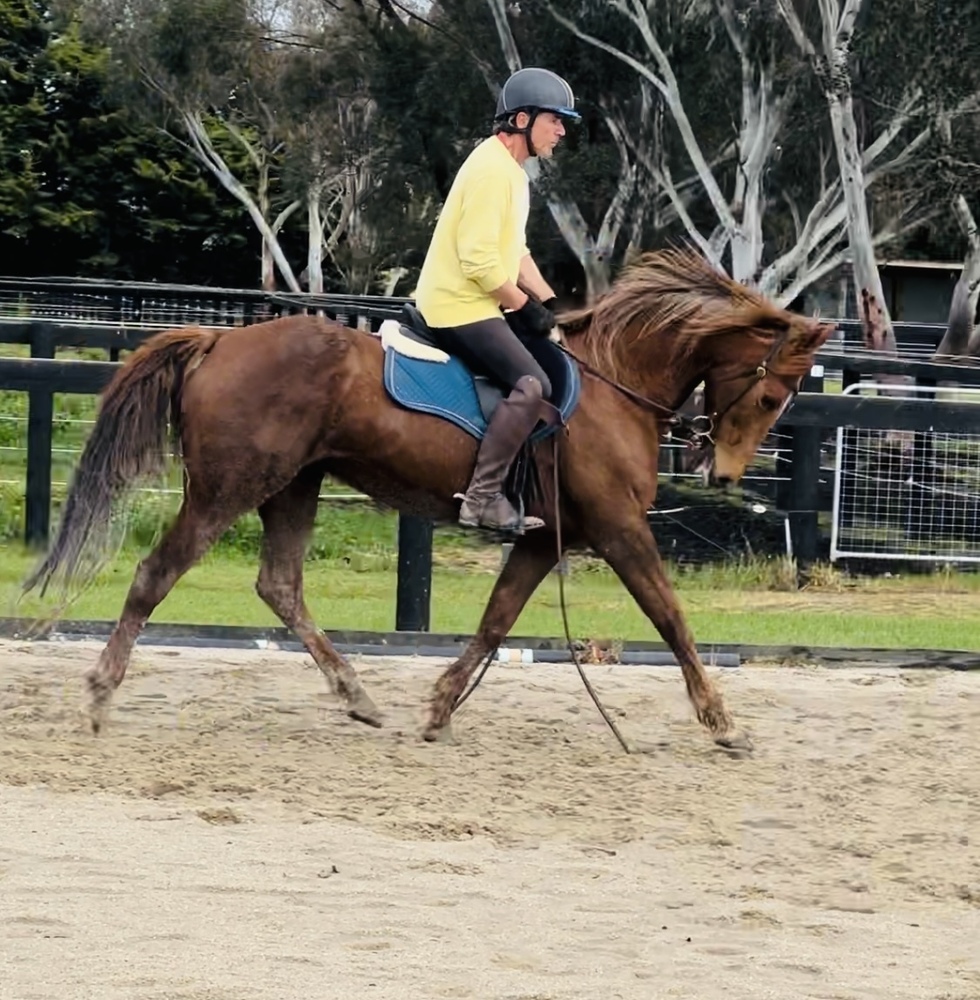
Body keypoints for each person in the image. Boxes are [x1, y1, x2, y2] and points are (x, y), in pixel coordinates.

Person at [413, 67, 580, 533]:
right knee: (532, 385)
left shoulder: (508, 170)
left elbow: (515, 251)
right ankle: (483, 499)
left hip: (477, 302)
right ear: (522, 120)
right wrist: (526, 309)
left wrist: (550, 302)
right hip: (456, 305)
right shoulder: (493, 171)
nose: (562, 131)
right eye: (556, 120)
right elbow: (481, 263)